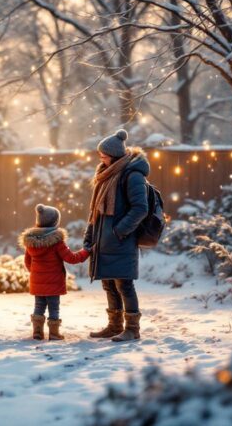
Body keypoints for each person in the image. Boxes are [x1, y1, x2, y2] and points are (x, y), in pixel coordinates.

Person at [83, 129, 150, 342]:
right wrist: (90, 236)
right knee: (109, 283)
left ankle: (132, 328)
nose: (100, 158)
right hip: (104, 241)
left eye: (103, 154)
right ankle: (114, 325)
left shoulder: (132, 175)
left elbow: (140, 208)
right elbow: (95, 212)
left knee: (124, 284)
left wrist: (119, 231)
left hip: (121, 240)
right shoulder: (106, 173)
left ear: (114, 154)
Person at [20, 204, 89, 341]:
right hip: (54, 283)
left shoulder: (31, 242)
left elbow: (27, 262)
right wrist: (86, 251)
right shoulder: (57, 242)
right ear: (54, 222)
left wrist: (36, 274)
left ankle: (38, 332)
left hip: (37, 282)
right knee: (53, 307)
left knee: (39, 306)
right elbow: (71, 258)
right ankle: (53, 333)